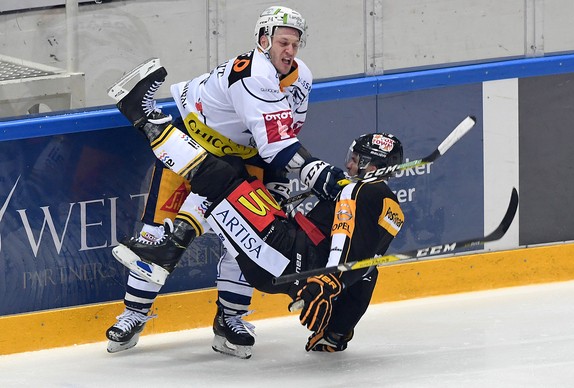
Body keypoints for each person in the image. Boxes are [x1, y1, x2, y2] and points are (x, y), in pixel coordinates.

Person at [105, 6, 345, 359]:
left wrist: (277, 182)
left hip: (244, 160)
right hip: (193, 144)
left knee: (246, 243)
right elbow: (278, 144)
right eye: (282, 42)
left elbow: (284, 133)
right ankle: (133, 314)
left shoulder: (301, 77)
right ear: (264, 41)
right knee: (155, 234)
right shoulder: (254, 73)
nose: (290, 51)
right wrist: (315, 170)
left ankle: (229, 319)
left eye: (295, 44)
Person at [112, 75, 405, 352]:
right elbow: (365, 272)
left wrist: (330, 276)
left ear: (373, 166)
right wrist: (336, 333)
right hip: (282, 276)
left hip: (285, 248)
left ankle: (142, 116)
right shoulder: (386, 214)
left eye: (356, 161)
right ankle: (217, 308)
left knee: (220, 178)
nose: (350, 167)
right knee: (223, 200)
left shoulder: (366, 191)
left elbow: (344, 232)